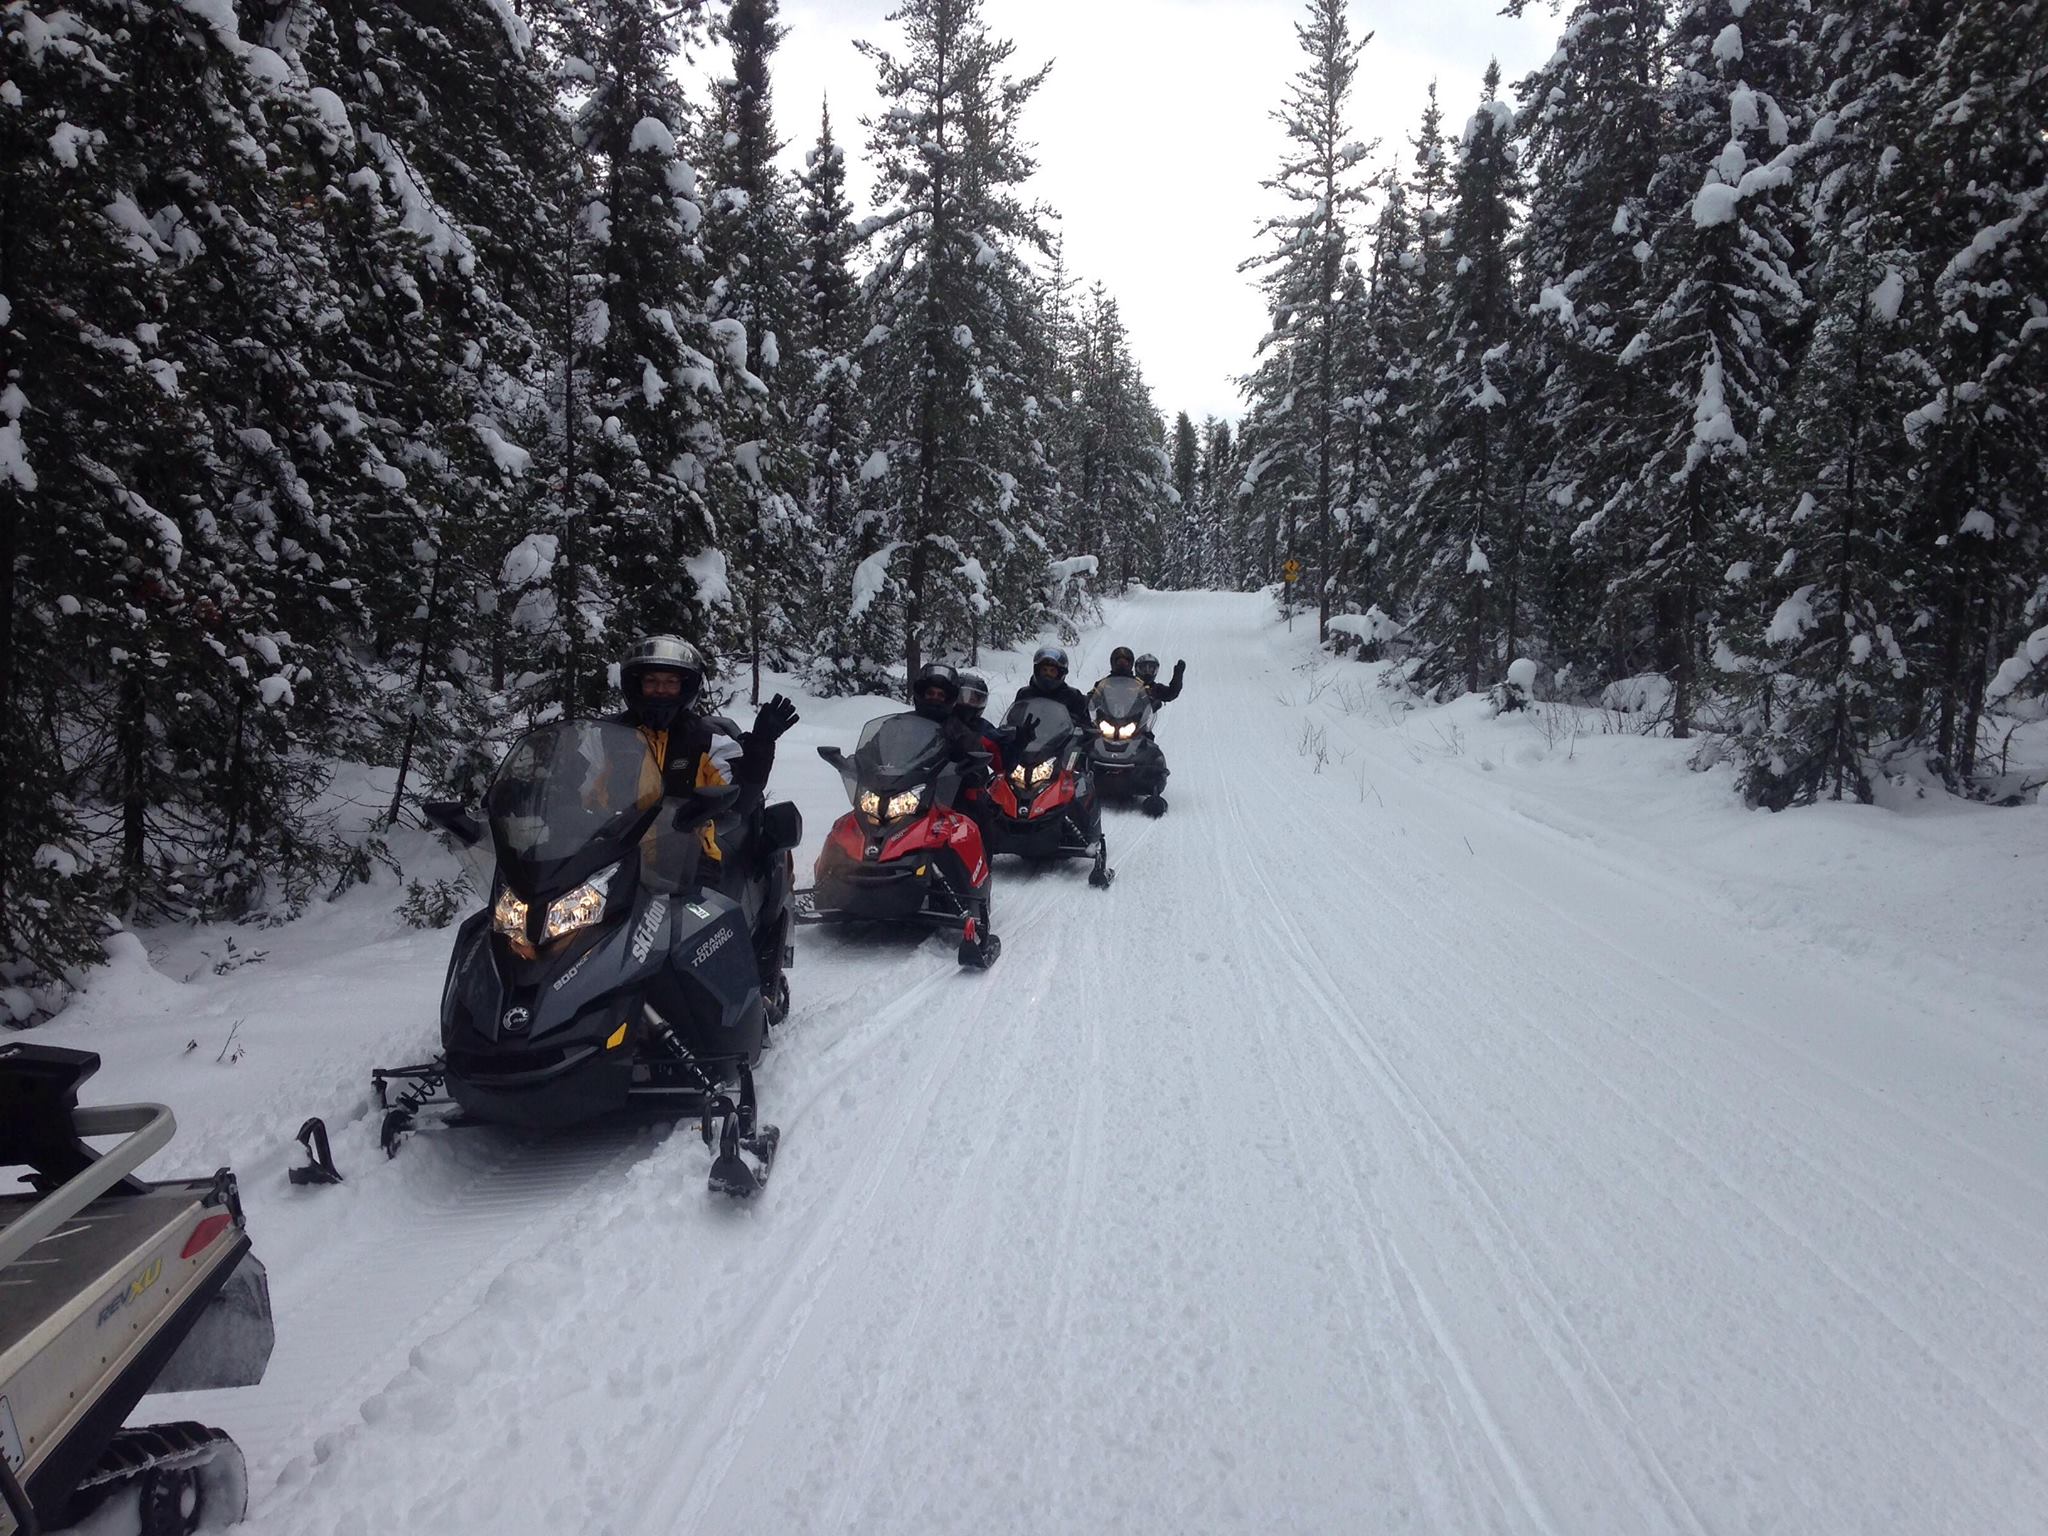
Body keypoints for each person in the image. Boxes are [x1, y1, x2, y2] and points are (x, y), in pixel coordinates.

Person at [614, 634, 799, 988]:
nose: (660, 690)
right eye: (652, 681)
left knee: (699, 944)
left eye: (670, 683)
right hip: (618, 856)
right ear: (635, 684)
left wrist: (760, 744)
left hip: (689, 858)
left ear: (686, 687)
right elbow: (589, 791)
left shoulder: (706, 740)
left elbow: (740, 792)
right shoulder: (613, 737)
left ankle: (732, 1003)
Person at [1011, 644, 1094, 732]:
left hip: (1063, 743)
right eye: (1044, 670)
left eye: (1052, 671)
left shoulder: (1073, 696)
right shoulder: (1025, 694)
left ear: (1060, 673)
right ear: (1037, 670)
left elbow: (1085, 727)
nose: (1048, 675)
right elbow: (1012, 722)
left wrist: (1075, 726)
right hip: (1028, 742)